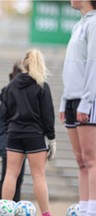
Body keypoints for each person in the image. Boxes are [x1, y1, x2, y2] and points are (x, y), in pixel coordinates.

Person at [1, 49, 56, 216]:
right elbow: (48, 114)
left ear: (24, 63)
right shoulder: (42, 86)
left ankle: (5, 211)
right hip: (35, 135)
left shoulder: (11, 85)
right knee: (39, 176)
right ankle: (45, 213)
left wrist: (10, 128)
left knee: (10, 174)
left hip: (14, 133)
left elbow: (6, 112)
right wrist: (51, 138)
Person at [59, 1, 96, 215]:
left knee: (91, 159)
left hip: (87, 99)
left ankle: (92, 208)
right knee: (80, 160)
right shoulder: (79, 25)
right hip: (72, 98)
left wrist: (87, 101)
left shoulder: (94, 24)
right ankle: (84, 207)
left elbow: (93, 64)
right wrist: (65, 100)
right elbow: (71, 65)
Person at [0, 61, 25, 205]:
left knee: (12, 177)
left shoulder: (9, 95)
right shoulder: (11, 96)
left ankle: (9, 206)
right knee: (10, 177)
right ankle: (0, 207)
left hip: (10, 142)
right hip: (10, 143)